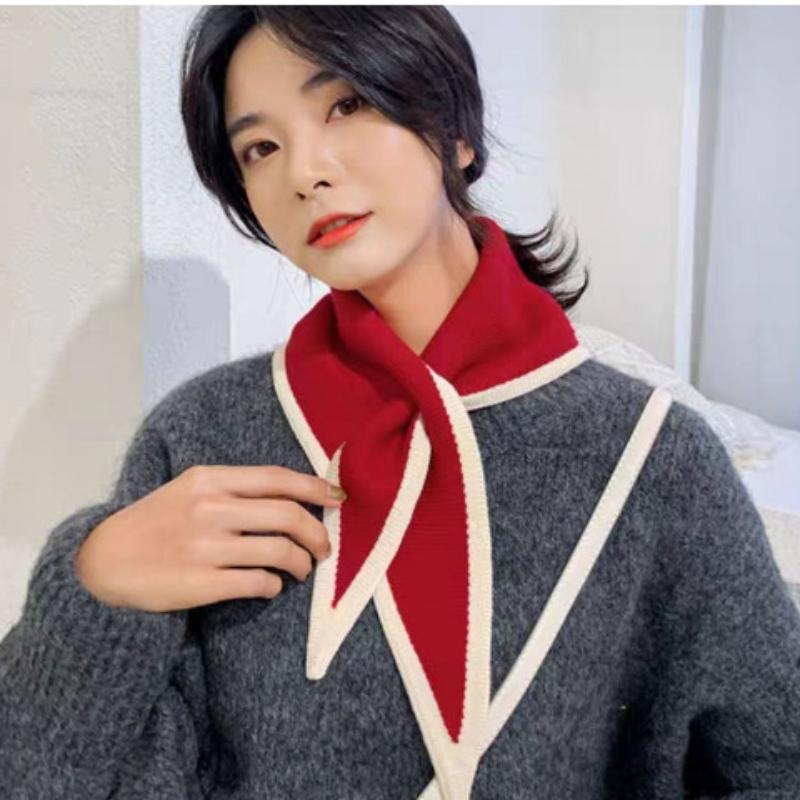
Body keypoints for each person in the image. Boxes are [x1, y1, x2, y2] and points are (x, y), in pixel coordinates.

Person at [2, 7, 799, 799]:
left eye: (347, 104)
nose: (304, 172)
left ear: (456, 131)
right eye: (260, 148)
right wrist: (93, 586)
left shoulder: (652, 456)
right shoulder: (201, 438)